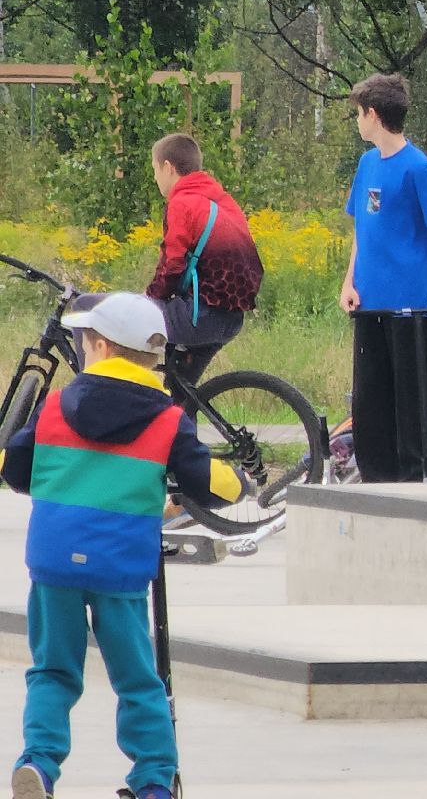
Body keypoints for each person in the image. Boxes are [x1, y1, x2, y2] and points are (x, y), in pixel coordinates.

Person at [2, 292, 246, 799]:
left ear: (98, 345)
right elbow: (205, 482)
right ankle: (154, 779)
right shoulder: (167, 420)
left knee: (51, 670)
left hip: (54, 564)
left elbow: (16, 471)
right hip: (121, 569)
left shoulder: (52, 408)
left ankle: (39, 765)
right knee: (138, 679)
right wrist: (239, 481)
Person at [338, 72, 427, 483]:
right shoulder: (366, 165)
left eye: (359, 114)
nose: (358, 122)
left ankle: (417, 479)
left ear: (374, 115)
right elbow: (362, 231)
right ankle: (376, 478)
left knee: (410, 402)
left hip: (409, 308)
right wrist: (350, 282)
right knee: (370, 401)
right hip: (370, 305)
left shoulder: (418, 168)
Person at [145, 133, 263, 395]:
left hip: (200, 316)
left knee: (124, 320)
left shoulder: (182, 203)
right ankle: (177, 426)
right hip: (231, 317)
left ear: (168, 167)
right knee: (181, 396)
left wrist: (149, 297)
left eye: (154, 169)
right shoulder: (221, 201)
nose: (155, 178)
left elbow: (172, 265)